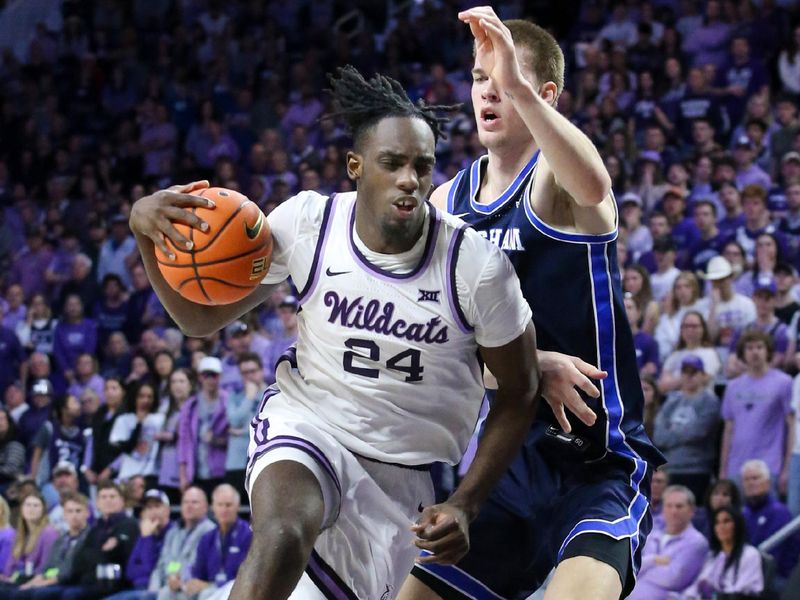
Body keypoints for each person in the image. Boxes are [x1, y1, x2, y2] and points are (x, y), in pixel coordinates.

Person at [129, 64, 551, 600]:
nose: (409, 179)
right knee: (282, 533)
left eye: (422, 167)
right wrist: (144, 233)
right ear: (356, 166)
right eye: (392, 163)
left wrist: (466, 503)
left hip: (402, 473)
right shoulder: (309, 224)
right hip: (309, 421)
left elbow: (520, 392)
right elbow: (197, 319)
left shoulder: (475, 267)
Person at [402, 8, 663, 600]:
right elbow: (437, 344)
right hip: (506, 461)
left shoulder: (554, 181)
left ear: (543, 92)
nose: (490, 91)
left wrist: (519, 86)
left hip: (597, 461)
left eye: (508, 79)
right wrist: (532, 365)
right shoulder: (448, 205)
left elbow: (595, 185)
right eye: (478, 77)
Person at [720, 330, 794, 489]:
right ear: (742, 353)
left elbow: (791, 426)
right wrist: (723, 470)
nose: (755, 352)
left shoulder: (784, 382)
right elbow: (728, 431)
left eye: (760, 347)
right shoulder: (733, 386)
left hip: (769, 466)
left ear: (768, 351)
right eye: (750, 348)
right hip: (736, 466)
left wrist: (787, 468)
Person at [653, 355, 720, 501]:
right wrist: (682, 434)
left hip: (696, 470)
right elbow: (658, 435)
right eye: (685, 372)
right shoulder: (671, 400)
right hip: (669, 470)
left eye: (694, 372)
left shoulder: (710, 402)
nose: (689, 377)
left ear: (702, 375)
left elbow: (698, 432)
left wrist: (671, 433)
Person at [628, 486, 709, 600]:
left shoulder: (697, 542)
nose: (673, 511)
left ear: (692, 510)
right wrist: (654, 560)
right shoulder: (652, 534)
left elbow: (674, 578)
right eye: (669, 506)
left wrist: (643, 568)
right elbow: (631, 567)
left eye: (679, 506)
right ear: (663, 509)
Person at [9, 491, 91, 600]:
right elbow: (46, 568)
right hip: (51, 580)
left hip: (72, 582)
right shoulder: (61, 540)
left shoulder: (90, 537)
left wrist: (40, 583)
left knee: (37, 594)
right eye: (70, 511)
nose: (74, 515)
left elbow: (70, 571)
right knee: (17, 592)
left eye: (78, 511)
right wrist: (31, 584)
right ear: (64, 515)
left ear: (87, 513)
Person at [143, 486, 215, 600]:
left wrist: (180, 579)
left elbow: (199, 564)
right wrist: (158, 586)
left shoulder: (211, 532)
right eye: (185, 502)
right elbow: (162, 563)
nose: (189, 506)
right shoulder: (173, 532)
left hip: (194, 587)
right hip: (169, 584)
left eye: (194, 502)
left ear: (205, 507)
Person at [680, 507, 764, 599]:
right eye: (717, 522)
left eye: (726, 521)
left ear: (737, 525)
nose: (721, 526)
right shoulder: (711, 556)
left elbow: (741, 592)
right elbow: (696, 587)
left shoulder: (750, 554)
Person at [184, 484, 250, 600]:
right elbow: (199, 573)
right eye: (220, 505)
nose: (224, 509)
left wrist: (212, 585)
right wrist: (193, 583)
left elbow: (248, 576)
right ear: (213, 507)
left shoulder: (248, 535)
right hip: (210, 591)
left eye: (228, 505)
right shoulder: (207, 538)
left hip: (237, 591)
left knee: (207, 594)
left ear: (237, 506)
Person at [740, 459, 800, 580]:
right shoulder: (742, 513)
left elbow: (772, 554)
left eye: (755, 478)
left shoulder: (779, 512)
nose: (750, 483)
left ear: (767, 483)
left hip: (776, 577)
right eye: (746, 479)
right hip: (747, 575)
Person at [1, 492, 58, 583]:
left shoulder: (49, 533)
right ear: (22, 509)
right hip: (15, 580)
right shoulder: (20, 535)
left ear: (43, 510)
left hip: (35, 580)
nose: (31, 509)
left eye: (36, 505)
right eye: (28, 505)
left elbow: (46, 566)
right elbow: (9, 567)